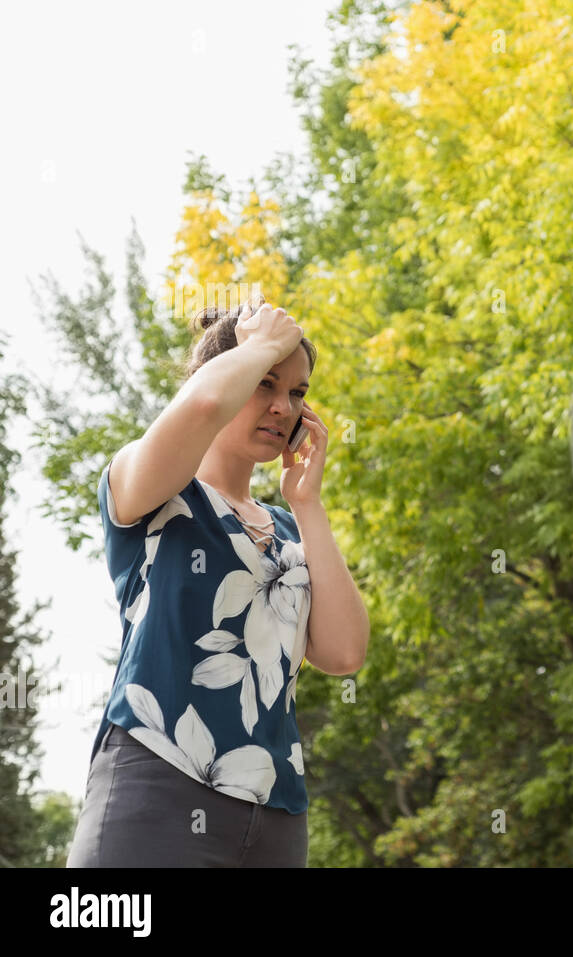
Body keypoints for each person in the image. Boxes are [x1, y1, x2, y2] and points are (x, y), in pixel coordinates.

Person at [66, 300, 369, 867]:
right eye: (264, 382)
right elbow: (204, 402)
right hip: (157, 781)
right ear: (226, 377)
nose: (283, 407)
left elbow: (345, 652)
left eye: (299, 393)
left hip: (276, 812)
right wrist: (257, 344)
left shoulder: (287, 532)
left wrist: (307, 503)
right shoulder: (153, 490)